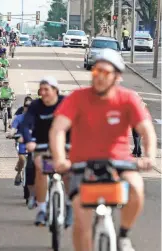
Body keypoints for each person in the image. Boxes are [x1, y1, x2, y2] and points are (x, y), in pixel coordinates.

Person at [49, 48, 157, 251]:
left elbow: (146, 130)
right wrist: (60, 159)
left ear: (117, 76)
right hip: (82, 164)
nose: (99, 77)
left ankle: (124, 234)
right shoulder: (77, 98)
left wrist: (149, 156)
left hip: (119, 162)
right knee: (81, 221)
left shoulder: (128, 98)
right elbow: (58, 129)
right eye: (96, 72)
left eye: (105, 73)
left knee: (136, 187)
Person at [22, 76, 72, 227]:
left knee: (68, 172)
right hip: (42, 145)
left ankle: (69, 206)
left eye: (46, 90)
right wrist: (29, 140)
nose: (43, 93)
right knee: (40, 169)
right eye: (41, 90)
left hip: (66, 144)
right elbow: (26, 125)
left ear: (55, 90)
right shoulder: (35, 106)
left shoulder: (66, 102)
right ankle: (42, 209)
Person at [7, 99, 32, 186]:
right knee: (22, 158)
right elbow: (13, 129)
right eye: (26, 106)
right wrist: (11, 134)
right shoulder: (19, 117)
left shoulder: (36, 118)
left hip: (33, 143)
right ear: (23, 107)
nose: (28, 108)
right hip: (21, 142)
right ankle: (18, 174)